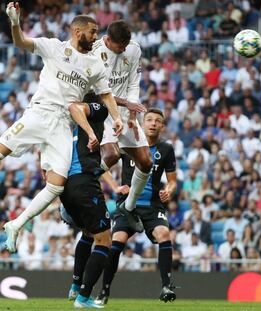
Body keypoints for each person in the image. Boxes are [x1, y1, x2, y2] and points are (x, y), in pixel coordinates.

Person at [2, 3, 123, 253]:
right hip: (40, 113)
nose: (96, 36)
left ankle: (16, 224)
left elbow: (106, 94)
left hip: (63, 126)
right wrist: (15, 22)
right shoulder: (54, 47)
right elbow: (22, 43)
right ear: (77, 31)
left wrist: (117, 117)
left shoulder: (96, 64)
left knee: (57, 184)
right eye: (93, 31)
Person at [94, 108, 177, 305]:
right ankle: (104, 291)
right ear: (142, 122)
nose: (153, 123)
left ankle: (166, 286)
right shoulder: (128, 143)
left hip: (153, 206)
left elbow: (173, 181)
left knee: (164, 234)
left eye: (157, 121)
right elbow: (101, 164)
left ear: (162, 127)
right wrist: (114, 186)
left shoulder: (166, 149)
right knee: (117, 241)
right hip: (127, 206)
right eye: (149, 119)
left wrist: (169, 190)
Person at [91, 20, 153, 230]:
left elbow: (134, 82)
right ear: (108, 40)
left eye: (126, 44)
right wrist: (127, 103)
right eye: (120, 46)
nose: (124, 49)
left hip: (125, 113)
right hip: (103, 113)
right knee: (111, 155)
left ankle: (128, 207)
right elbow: (98, 94)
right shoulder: (93, 52)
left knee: (145, 162)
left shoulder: (134, 49)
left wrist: (132, 113)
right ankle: (82, 186)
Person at [60, 101, 116, 308]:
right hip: (85, 183)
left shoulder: (63, 123)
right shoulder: (97, 110)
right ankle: (84, 297)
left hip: (65, 184)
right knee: (104, 241)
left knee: (88, 233)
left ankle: (75, 285)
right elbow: (113, 154)